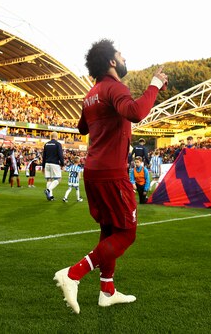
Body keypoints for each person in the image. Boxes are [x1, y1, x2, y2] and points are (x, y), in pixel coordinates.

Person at [53, 38, 167, 314]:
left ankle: (107, 291)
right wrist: (154, 85)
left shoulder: (91, 92)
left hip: (93, 171)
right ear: (112, 62)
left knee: (109, 230)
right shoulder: (114, 87)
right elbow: (137, 112)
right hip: (111, 173)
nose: (125, 57)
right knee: (127, 234)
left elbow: (82, 128)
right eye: (120, 54)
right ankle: (74, 274)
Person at [42, 131, 65, 201]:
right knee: (58, 179)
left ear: (51, 137)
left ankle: (50, 196)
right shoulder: (58, 144)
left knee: (49, 179)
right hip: (55, 164)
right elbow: (60, 155)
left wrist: (43, 166)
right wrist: (62, 164)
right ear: (56, 137)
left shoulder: (46, 144)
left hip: (47, 164)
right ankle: (48, 190)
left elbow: (44, 156)